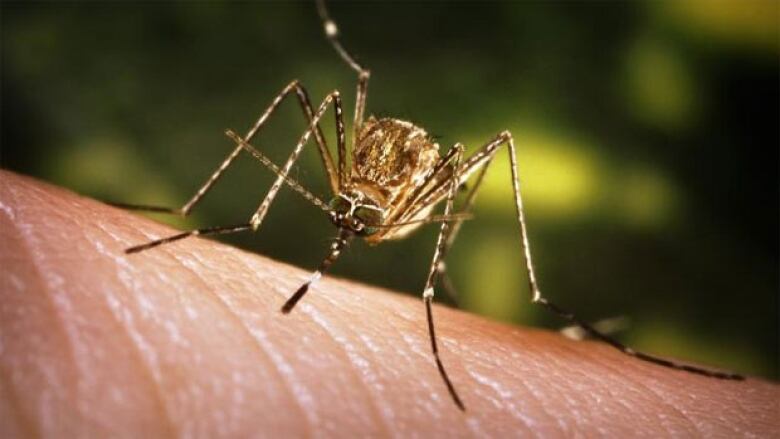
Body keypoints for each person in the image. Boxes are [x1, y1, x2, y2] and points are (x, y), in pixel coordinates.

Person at [1, 171, 776, 437]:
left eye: (347, 231)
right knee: (316, 93)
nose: (341, 238)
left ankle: (493, 299)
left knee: (495, 141)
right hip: (371, 171)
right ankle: (211, 210)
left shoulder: (407, 207)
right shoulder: (345, 189)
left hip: (406, 187)